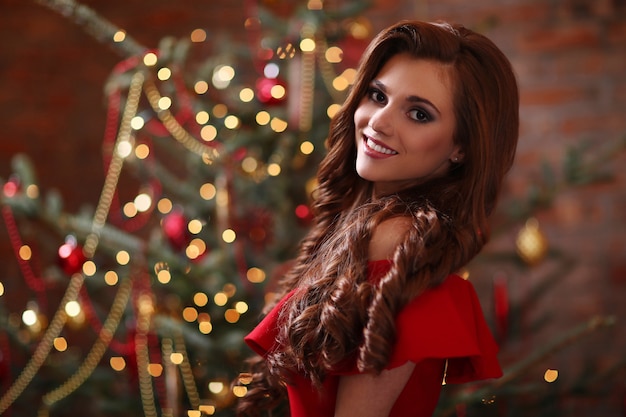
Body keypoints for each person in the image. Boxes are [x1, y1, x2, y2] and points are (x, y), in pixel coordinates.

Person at [238, 19, 519, 417]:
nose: (379, 122)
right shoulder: (367, 227)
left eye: (419, 114)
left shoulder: (397, 241)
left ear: (462, 147)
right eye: (377, 95)